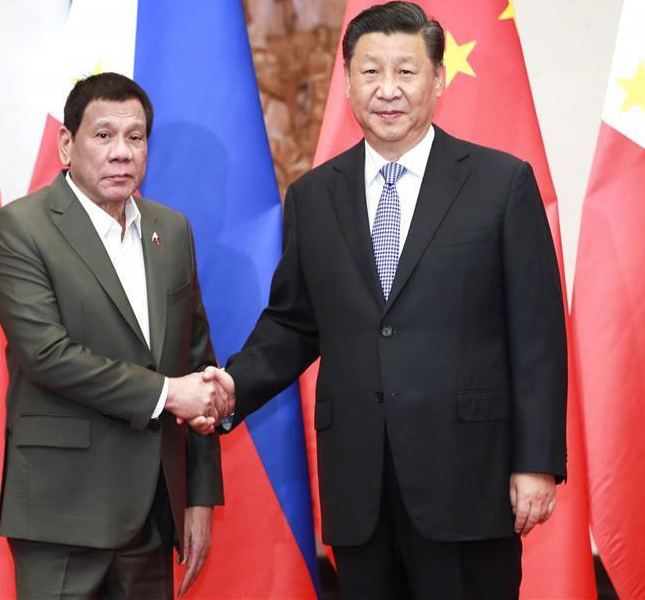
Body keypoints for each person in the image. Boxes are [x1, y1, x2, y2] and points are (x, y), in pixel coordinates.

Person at [211, 2, 567, 598]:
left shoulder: (502, 184)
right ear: (347, 82)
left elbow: (537, 334)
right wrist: (229, 388)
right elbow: (294, 324)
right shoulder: (313, 196)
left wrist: (536, 462)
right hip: (360, 487)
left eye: (406, 71)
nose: (388, 89)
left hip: (469, 480)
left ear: (438, 80)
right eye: (370, 72)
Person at [0, 72, 228, 600]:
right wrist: (167, 394)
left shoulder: (173, 230)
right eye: (103, 135)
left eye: (135, 137)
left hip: (153, 513)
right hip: (62, 515)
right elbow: (46, 356)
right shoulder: (21, 227)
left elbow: (196, 362)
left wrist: (199, 497)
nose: (122, 152)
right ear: (67, 144)